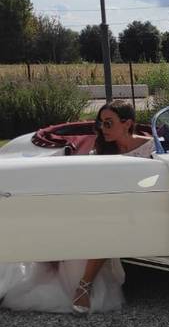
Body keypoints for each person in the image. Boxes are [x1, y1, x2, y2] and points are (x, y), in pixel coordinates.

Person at [0, 100, 152, 315]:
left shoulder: (152, 147)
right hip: (106, 206)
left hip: (143, 207)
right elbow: (85, 183)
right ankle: (53, 257)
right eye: (100, 123)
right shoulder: (100, 151)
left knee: (107, 221)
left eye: (109, 123)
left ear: (127, 123)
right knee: (75, 216)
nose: (102, 129)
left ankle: (84, 285)